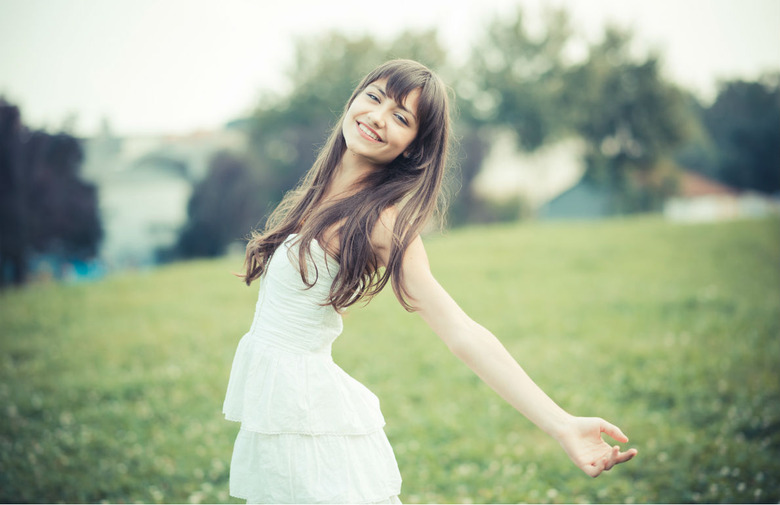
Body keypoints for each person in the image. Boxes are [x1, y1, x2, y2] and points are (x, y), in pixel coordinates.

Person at [222, 59, 637, 504]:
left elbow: (462, 333)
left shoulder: (382, 222)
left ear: (412, 148)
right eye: (375, 97)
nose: (378, 117)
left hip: (310, 421)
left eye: (401, 117)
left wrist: (560, 423)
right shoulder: (320, 195)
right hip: (285, 414)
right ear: (355, 98)